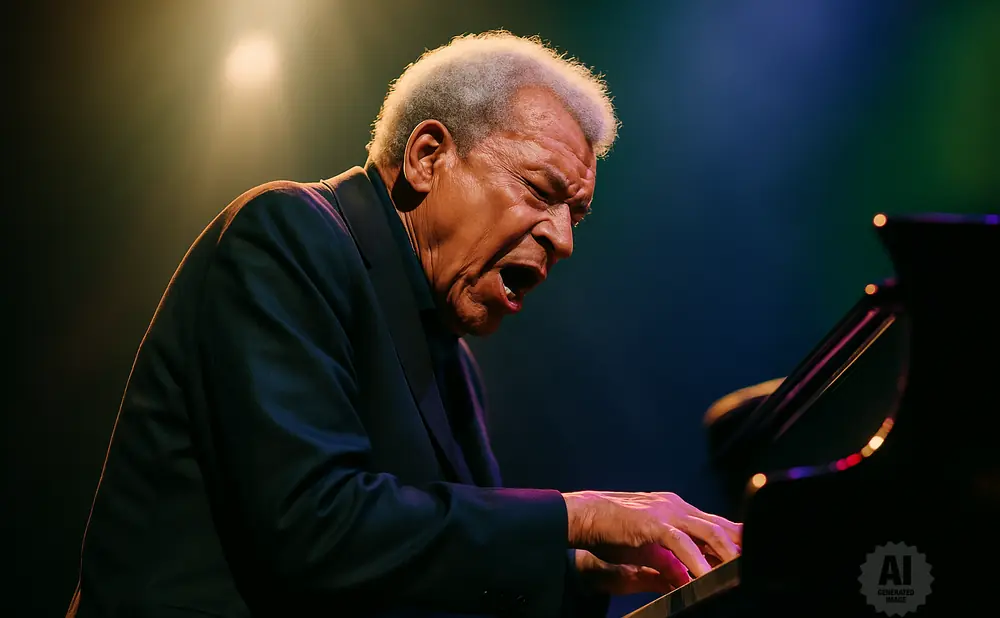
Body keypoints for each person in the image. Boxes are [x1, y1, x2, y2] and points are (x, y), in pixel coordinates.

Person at [66, 31, 742, 618]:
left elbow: (431, 560)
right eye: (541, 192)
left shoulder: (449, 353)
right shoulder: (288, 235)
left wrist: (585, 569)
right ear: (427, 156)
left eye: (578, 214)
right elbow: (314, 528)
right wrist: (577, 515)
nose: (563, 239)